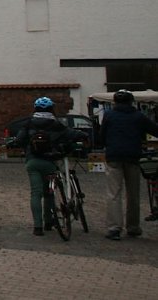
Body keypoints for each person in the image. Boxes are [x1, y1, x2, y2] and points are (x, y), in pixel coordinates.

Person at [14, 96, 88, 236]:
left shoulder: (29, 123)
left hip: (32, 162)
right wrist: (83, 135)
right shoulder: (56, 124)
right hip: (50, 162)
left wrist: (27, 148)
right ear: (51, 109)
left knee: (36, 193)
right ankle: (48, 222)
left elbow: (19, 140)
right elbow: (70, 134)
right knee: (49, 193)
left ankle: (37, 227)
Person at [100, 89, 158, 240]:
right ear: (131, 101)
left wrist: (106, 145)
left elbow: (101, 135)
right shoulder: (138, 116)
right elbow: (154, 129)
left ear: (115, 102)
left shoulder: (109, 115)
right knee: (133, 194)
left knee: (114, 194)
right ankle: (133, 227)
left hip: (113, 157)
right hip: (133, 157)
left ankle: (114, 228)